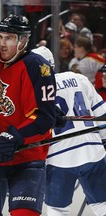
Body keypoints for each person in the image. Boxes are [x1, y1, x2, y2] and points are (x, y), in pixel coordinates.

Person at [0, 14, 57, 216]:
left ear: (23, 40)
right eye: (0, 37)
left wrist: (15, 136)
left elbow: (44, 118)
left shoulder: (38, 67)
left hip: (27, 159)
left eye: (9, 38)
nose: (2, 43)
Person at [32, 46, 106, 216]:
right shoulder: (78, 78)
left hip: (58, 157)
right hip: (92, 151)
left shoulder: (32, 91)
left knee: (57, 209)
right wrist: (103, 143)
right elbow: (102, 114)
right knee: (102, 204)